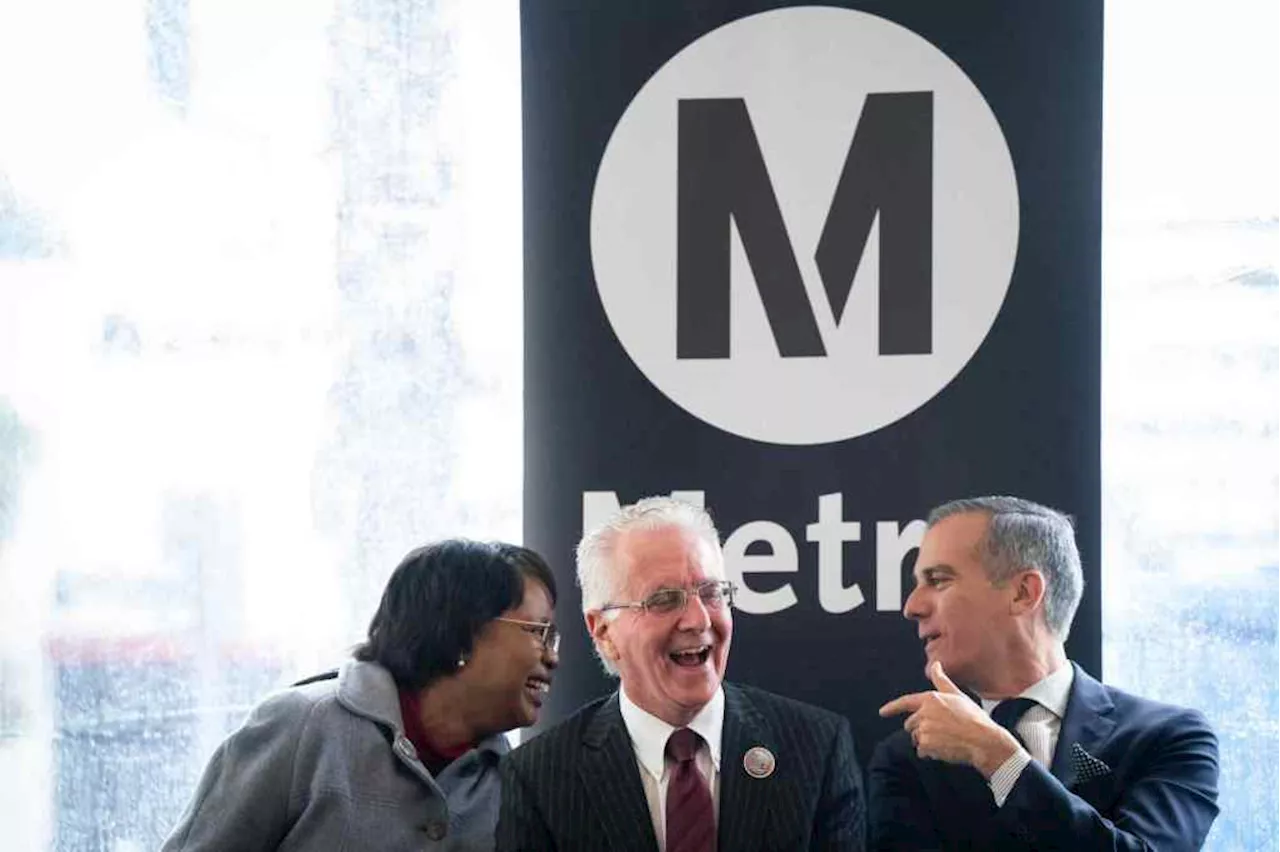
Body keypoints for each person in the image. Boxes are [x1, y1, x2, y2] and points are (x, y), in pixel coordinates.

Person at [497, 496, 865, 852]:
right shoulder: (541, 778)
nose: (698, 620)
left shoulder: (815, 749)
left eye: (712, 593)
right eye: (663, 600)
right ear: (604, 632)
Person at [161, 539, 560, 852]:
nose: (553, 657)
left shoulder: (515, 782)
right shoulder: (300, 725)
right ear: (460, 633)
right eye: (537, 632)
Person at [870, 496, 1220, 850]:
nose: (912, 606)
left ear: (1024, 593)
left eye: (938, 580)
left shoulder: (1169, 738)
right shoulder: (909, 758)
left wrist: (1000, 759)